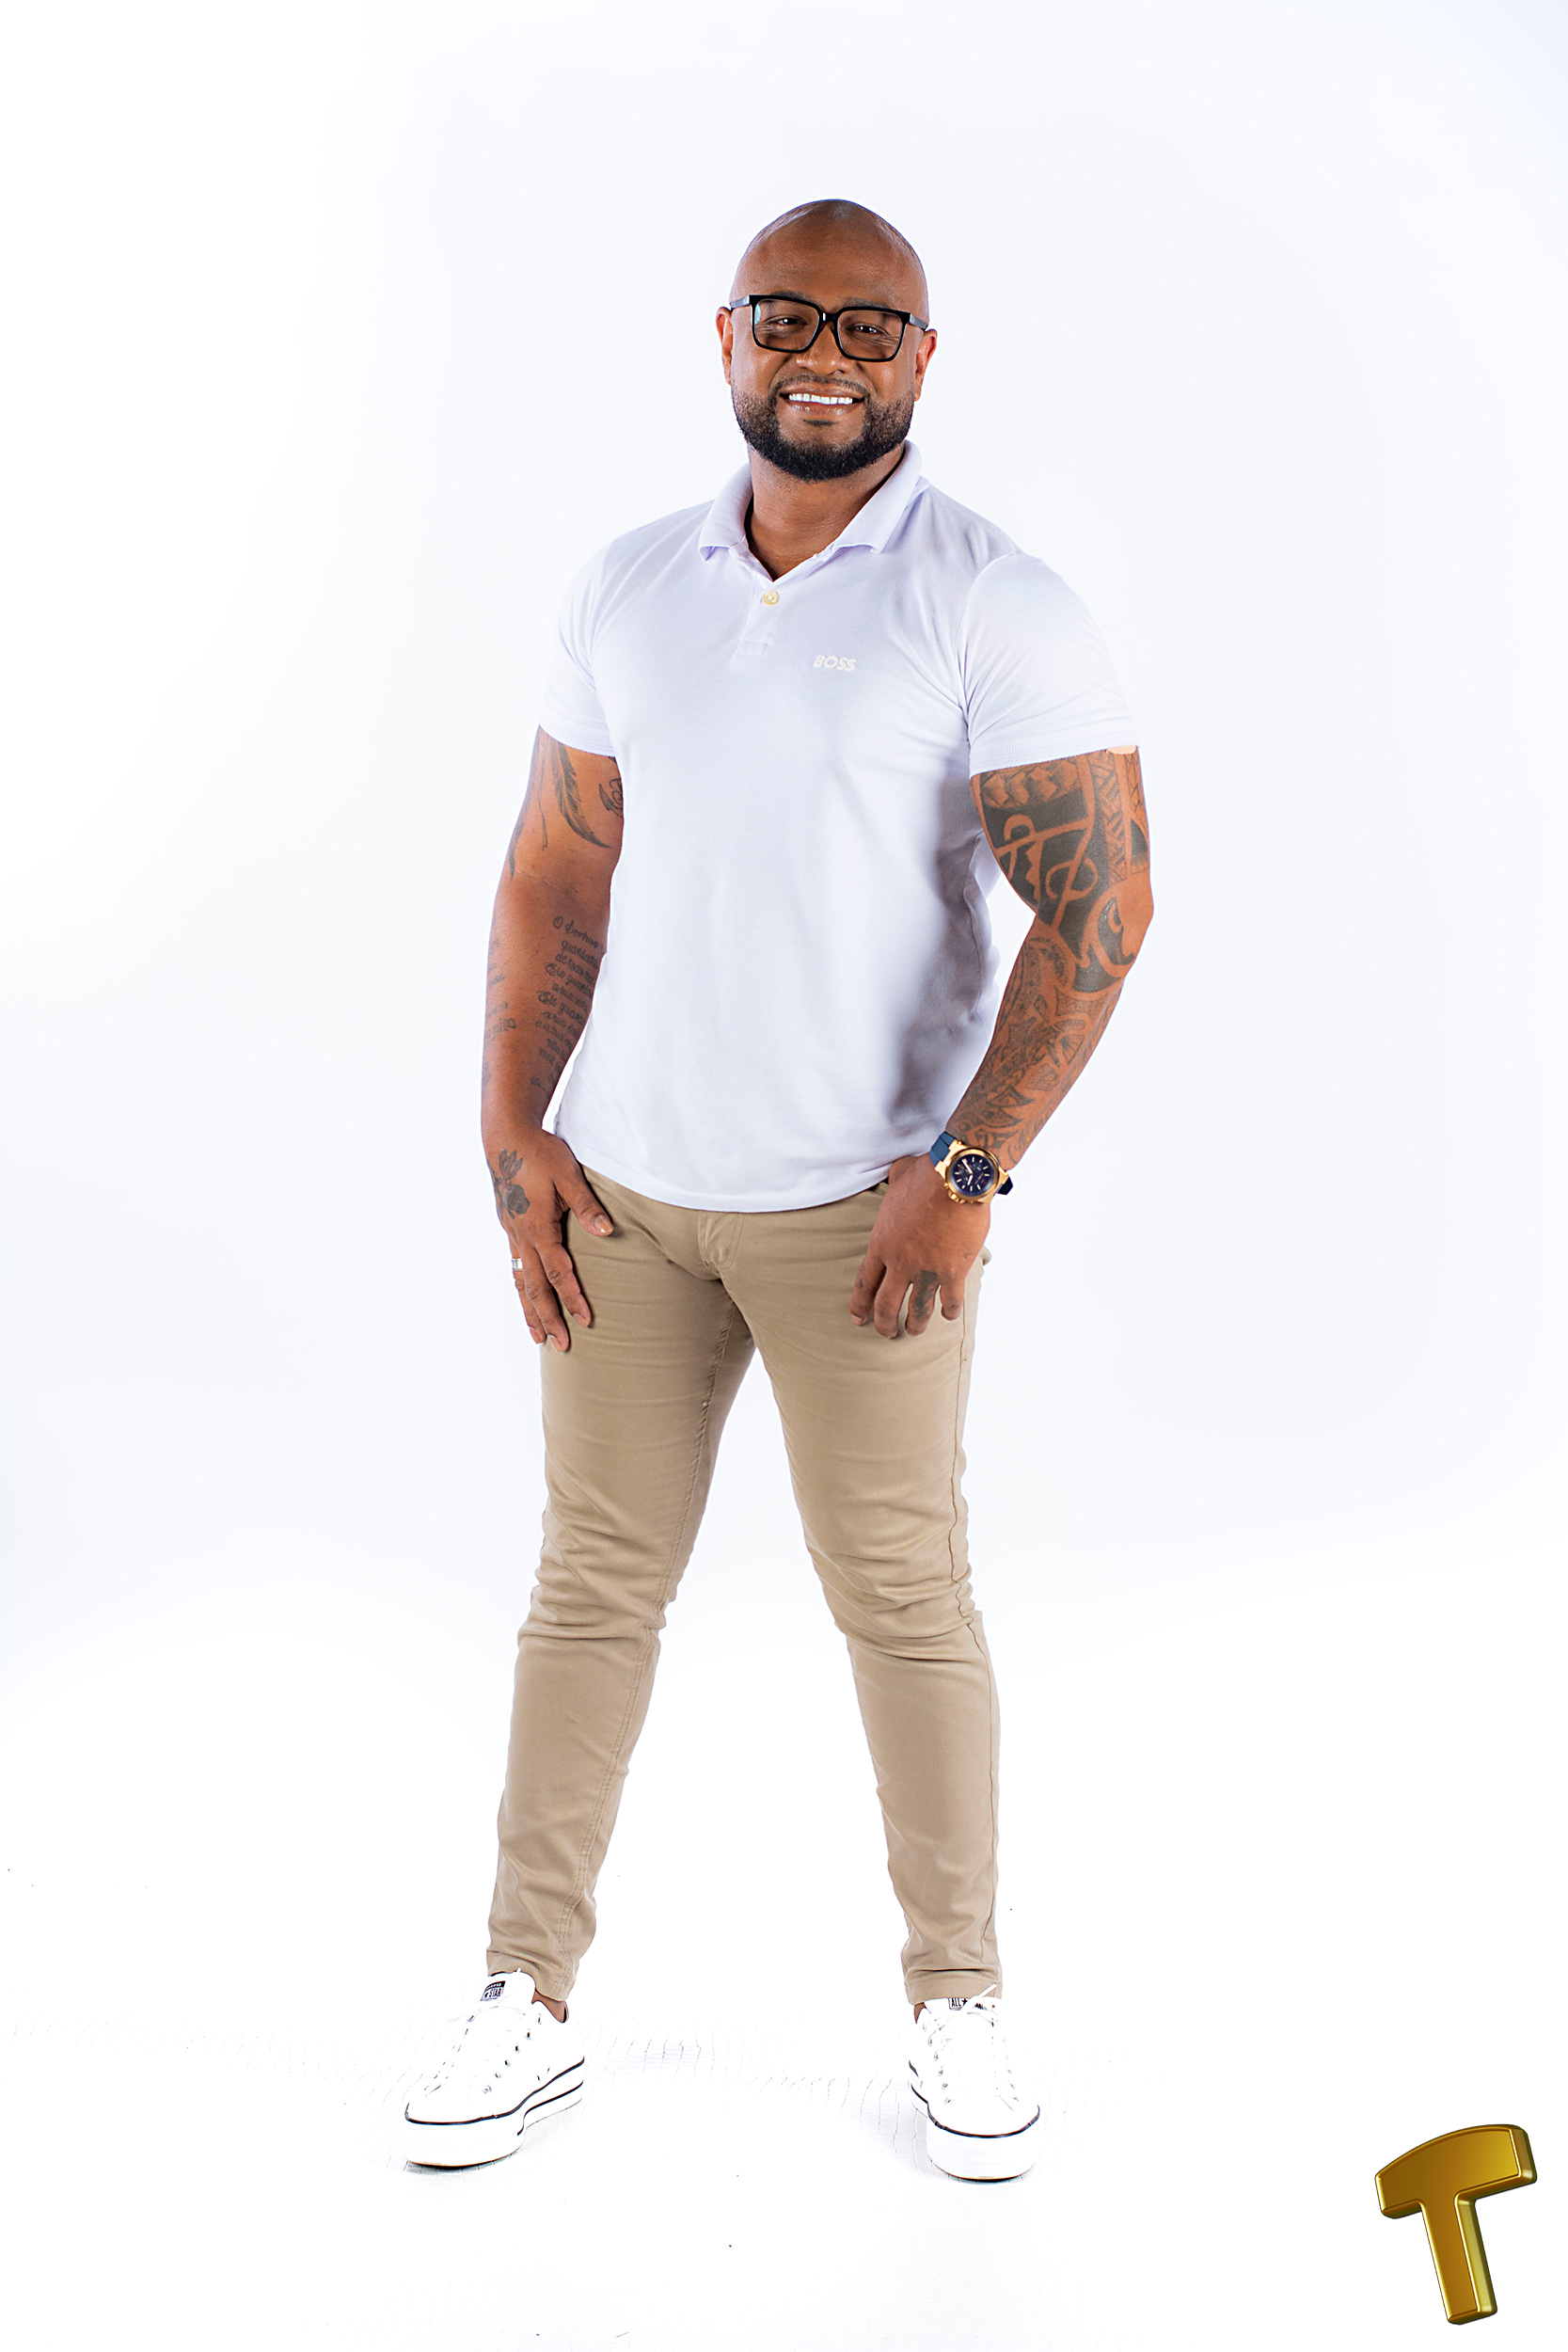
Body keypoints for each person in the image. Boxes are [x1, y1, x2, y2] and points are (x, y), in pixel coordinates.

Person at [402, 198, 1152, 2181]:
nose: (827, 355)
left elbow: (1105, 902)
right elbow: (556, 867)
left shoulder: (994, 602)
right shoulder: (630, 584)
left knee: (901, 1597)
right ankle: (524, 1994)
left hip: (862, 1215)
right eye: (789, 318)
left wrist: (967, 1169)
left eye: (872, 326)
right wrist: (514, 1134)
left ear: (925, 357)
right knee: (589, 1585)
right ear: (725, 336)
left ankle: (958, 2001)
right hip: (630, 1197)